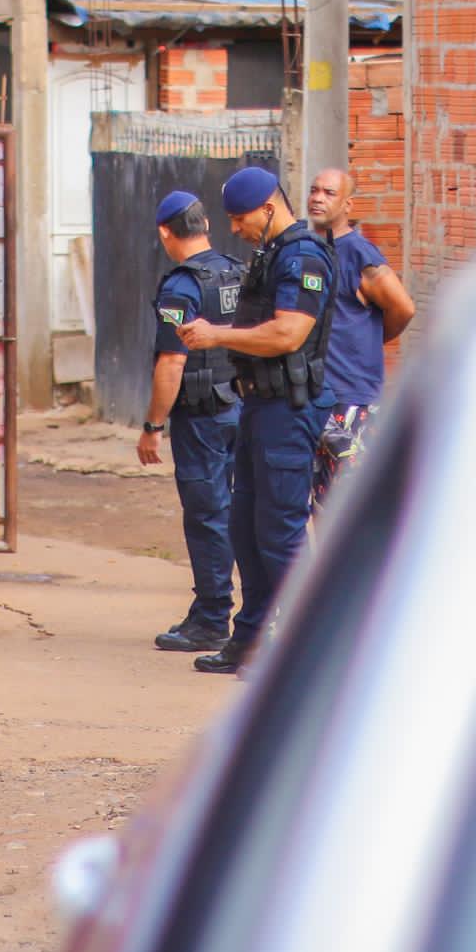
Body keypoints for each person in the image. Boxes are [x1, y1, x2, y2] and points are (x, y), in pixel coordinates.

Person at [175, 167, 335, 675]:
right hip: (260, 408)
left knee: (281, 533)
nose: (235, 228)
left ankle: (304, 651)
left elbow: (288, 335)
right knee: (245, 529)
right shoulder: (271, 253)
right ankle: (248, 642)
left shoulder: (304, 257)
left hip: (289, 410)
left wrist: (218, 336)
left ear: (268, 208)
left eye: (240, 218)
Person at [138, 190, 245, 653]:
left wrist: (152, 426)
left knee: (207, 516)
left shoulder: (182, 287)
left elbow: (171, 364)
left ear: (165, 231)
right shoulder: (234, 271)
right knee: (240, 512)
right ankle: (255, 612)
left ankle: (211, 617)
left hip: (201, 416)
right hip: (240, 407)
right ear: (204, 225)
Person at [305, 167, 415, 508]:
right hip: (314, 398)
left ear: (348, 205)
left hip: (351, 400)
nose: (318, 198)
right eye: (314, 190)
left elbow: (403, 307)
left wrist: (371, 339)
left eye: (329, 193)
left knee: (347, 506)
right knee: (317, 503)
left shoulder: (359, 255)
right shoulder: (309, 249)